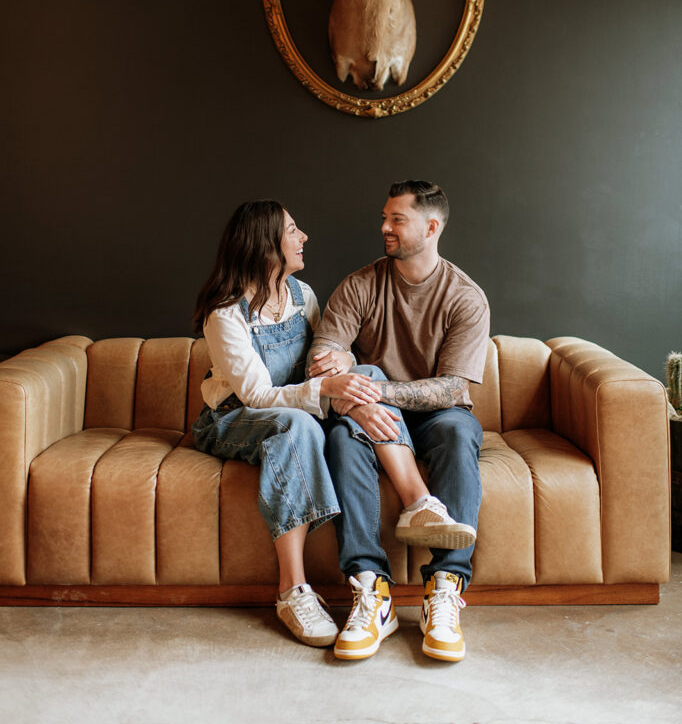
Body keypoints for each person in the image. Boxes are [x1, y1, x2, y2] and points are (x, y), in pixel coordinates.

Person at [190, 198, 451, 649]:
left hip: (297, 407)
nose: (303, 237)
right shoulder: (225, 314)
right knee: (299, 426)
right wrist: (331, 394)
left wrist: (342, 364)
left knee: (366, 375)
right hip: (235, 418)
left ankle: (419, 502)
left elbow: (324, 355)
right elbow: (256, 395)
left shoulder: (302, 295)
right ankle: (292, 591)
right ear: (265, 243)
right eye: (293, 230)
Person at [308, 180, 490, 663]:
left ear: (431, 228)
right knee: (345, 439)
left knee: (456, 430)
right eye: (384, 217)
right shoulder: (360, 285)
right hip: (368, 418)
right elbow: (322, 358)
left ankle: (445, 589)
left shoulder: (465, 297)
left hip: (436, 415)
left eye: (396, 220)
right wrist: (343, 371)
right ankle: (371, 588)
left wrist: (373, 388)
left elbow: (454, 389)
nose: (384, 227)